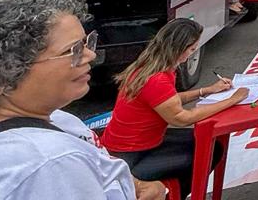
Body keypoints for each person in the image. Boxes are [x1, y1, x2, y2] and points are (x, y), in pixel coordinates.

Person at [0, 0, 163, 200]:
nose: (91, 55)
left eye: (87, 42)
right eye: (73, 50)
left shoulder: (52, 121)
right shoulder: (48, 161)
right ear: (1, 76)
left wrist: (135, 185)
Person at [102, 19, 246, 193]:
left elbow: (168, 100)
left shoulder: (150, 66)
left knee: (207, 141)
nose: (192, 53)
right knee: (210, 151)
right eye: (192, 49)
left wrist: (207, 90)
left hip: (129, 146)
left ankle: (174, 191)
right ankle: (173, 193)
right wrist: (232, 100)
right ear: (179, 49)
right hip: (132, 156)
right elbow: (181, 118)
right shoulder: (157, 79)